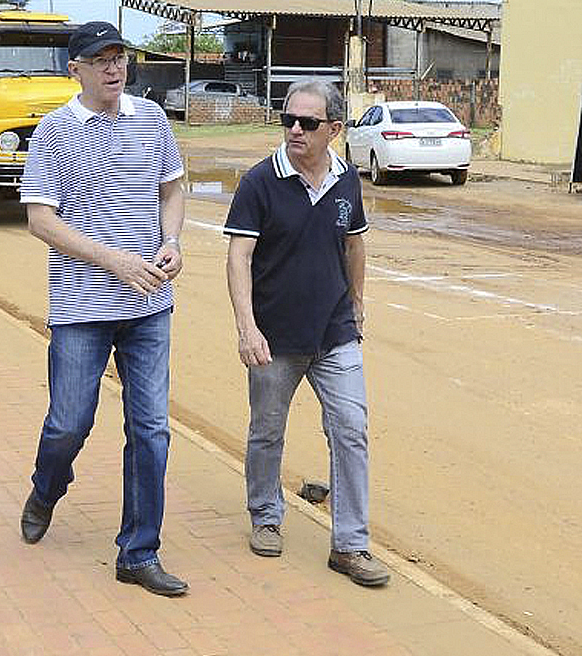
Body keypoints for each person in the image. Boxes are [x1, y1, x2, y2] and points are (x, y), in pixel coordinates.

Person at [18, 22, 188, 597]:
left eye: (120, 58)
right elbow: (41, 220)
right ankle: (46, 488)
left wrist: (172, 240)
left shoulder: (152, 120)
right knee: (69, 422)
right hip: (81, 306)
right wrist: (112, 259)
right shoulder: (53, 133)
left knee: (152, 430)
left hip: (149, 303)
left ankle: (138, 552)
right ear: (77, 69)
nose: (115, 69)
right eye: (101, 60)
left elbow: (173, 187)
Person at [223, 79, 389, 588]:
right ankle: (266, 515)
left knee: (351, 429)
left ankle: (350, 544)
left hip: (335, 332)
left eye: (308, 123)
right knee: (267, 430)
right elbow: (238, 257)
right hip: (274, 336)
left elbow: (355, 245)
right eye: (288, 119)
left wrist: (357, 304)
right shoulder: (259, 183)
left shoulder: (346, 182)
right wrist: (247, 327)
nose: (295, 129)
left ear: (334, 130)